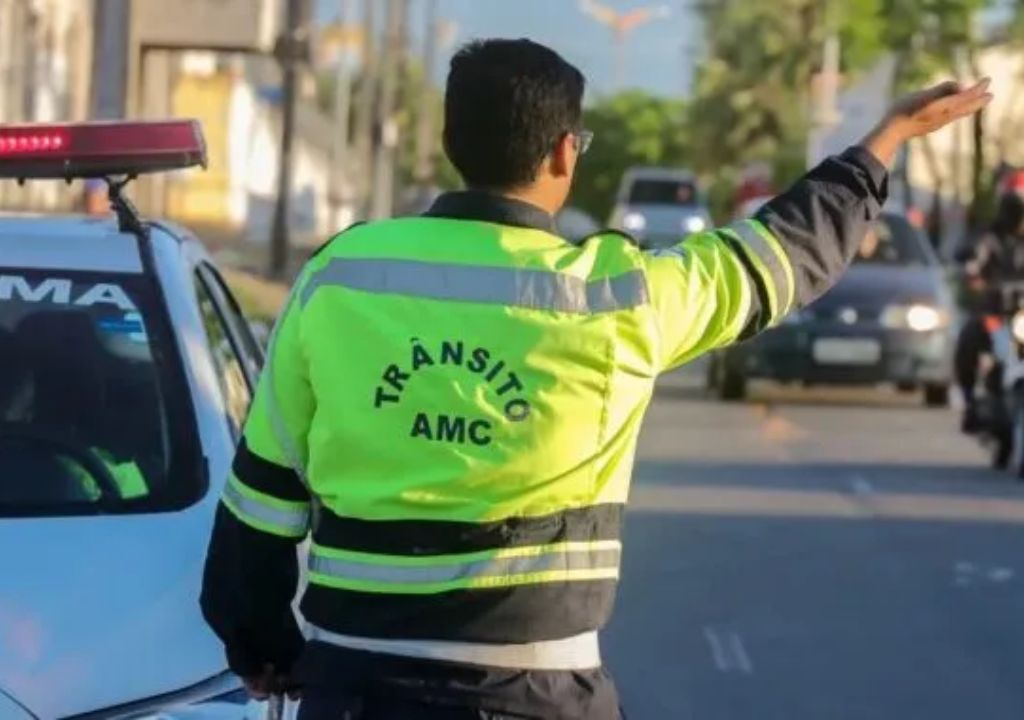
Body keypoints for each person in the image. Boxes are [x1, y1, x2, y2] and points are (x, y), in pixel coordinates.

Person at [199, 39, 991, 719]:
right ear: (563, 153)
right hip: (534, 689)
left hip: (351, 683)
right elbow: (782, 254)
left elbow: (264, 487)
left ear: (451, 142)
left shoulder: (343, 275)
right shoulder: (618, 293)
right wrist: (884, 141)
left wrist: (262, 644)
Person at [955, 188, 1024, 432]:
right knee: (968, 338)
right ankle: (970, 401)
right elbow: (972, 264)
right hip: (995, 316)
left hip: (1022, 317)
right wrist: (974, 279)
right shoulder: (988, 239)